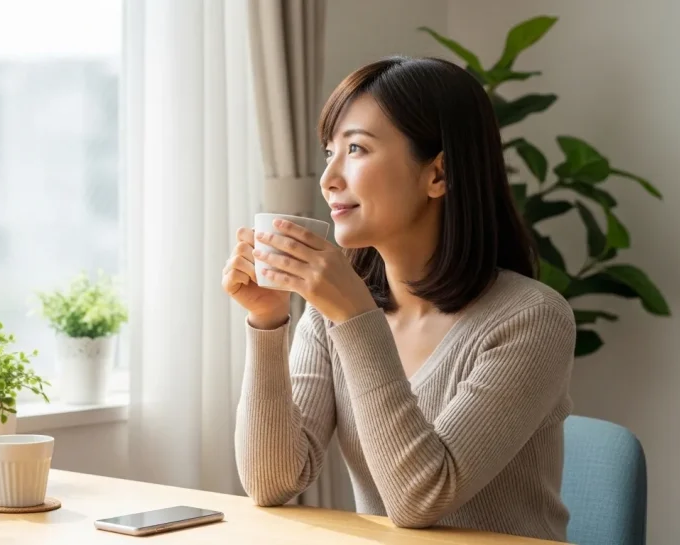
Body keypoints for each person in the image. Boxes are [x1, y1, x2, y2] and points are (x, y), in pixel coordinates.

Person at [222, 56, 575, 542]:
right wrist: (267, 322)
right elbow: (271, 482)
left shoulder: (532, 319)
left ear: (438, 174)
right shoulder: (336, 311)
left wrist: (354, 315)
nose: (329, 179)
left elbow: (419, 500)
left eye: (357, 149)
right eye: (330, 153)